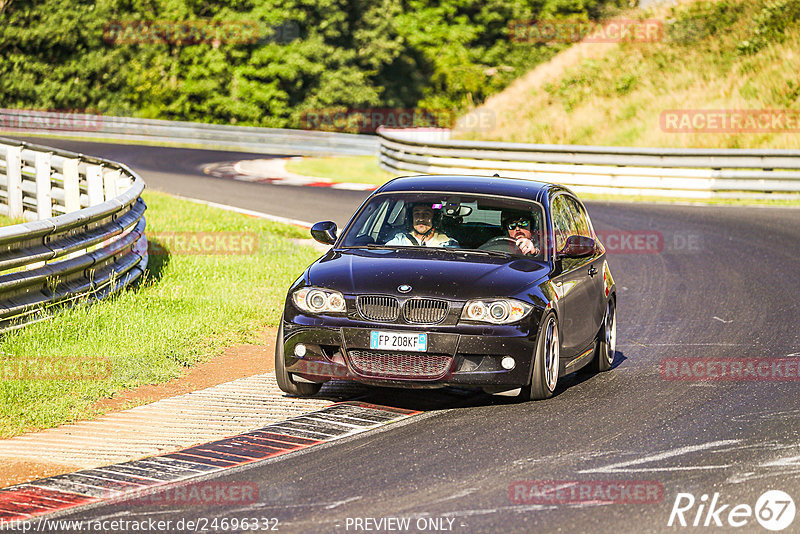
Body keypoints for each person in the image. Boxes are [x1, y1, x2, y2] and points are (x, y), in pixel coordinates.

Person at [386, 203, 459, 247]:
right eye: (417, 213)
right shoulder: (400, 242)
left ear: (435, 219)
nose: (421, 218)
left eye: (426, 214)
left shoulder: (448, 244)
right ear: (411, 218)